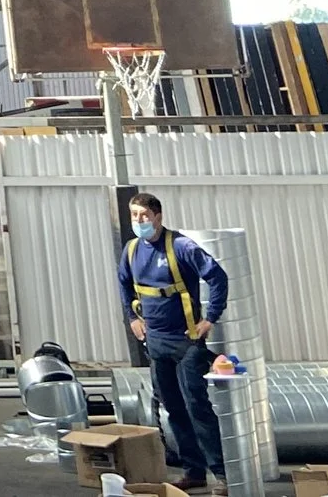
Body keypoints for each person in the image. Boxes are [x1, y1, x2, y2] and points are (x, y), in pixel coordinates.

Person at [117, 191, 228, 493]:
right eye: (134, 215)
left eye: (143, 215)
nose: (138, 221)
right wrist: (133, 318)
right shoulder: (131, 251)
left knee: (197, 407)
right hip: (156, 342)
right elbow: (125, 284)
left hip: (187, 342)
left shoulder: (181, 247)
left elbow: (218, 277)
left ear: (157, 216)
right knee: (173, 408)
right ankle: (194, 472)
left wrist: (210, 319)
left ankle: (221, 474)